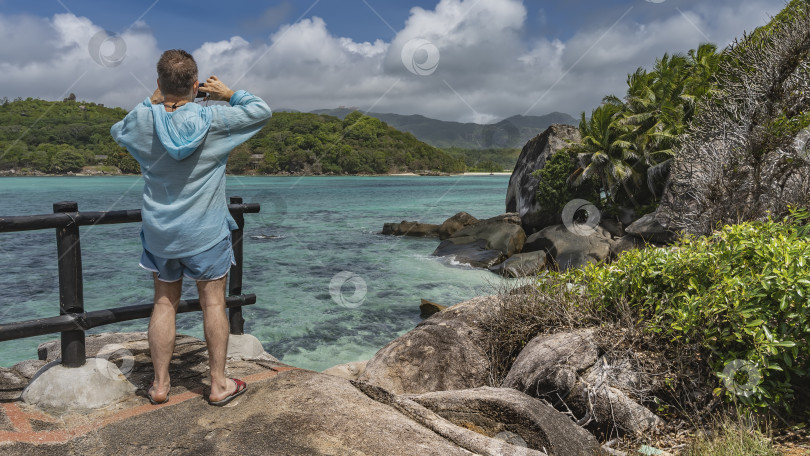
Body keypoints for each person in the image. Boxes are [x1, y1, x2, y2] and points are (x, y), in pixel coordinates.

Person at [111, 49, 272, 406]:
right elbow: (261, 110)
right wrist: (229, 94)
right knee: (213, 304)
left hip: (160, 234)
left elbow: (117, 130)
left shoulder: (143, 121)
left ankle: (159, 386)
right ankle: (218, 385)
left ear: (158, 84)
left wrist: (150, 102)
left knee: (164, 304)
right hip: (206, 232)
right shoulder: (213, 118)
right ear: (196, 85)